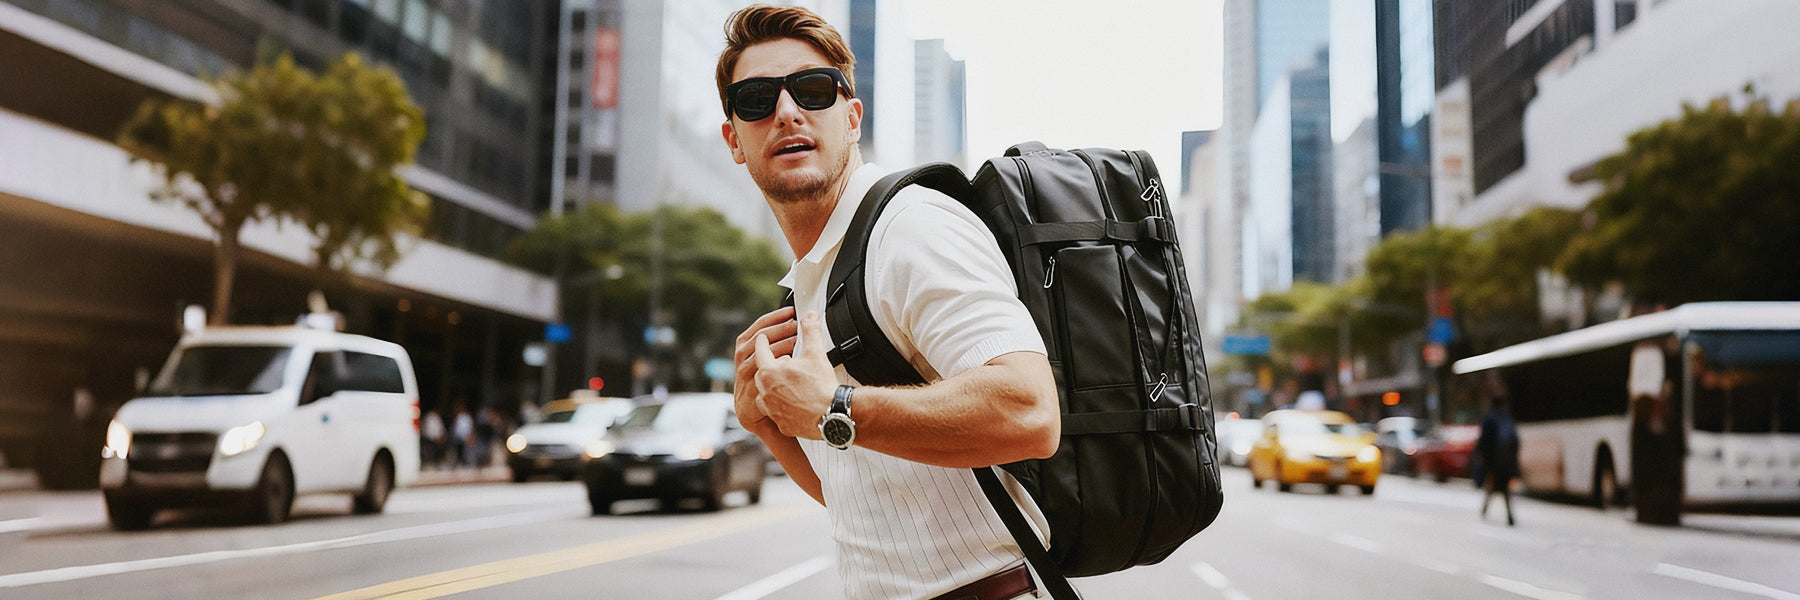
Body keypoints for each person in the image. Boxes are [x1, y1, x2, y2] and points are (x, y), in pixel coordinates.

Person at [718, 5, 1060, 600]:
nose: (787, 112)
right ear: (734, 141)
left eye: (813, 90)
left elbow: (1029, 412)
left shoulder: (909, 228)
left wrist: (835, 407)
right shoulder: (819, 273)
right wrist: (768, 426)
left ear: (852, 119)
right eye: (756, 99)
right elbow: (864, 496)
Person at [1476, 394, 1520, 526]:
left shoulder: (1489, 418)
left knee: (1492, 484)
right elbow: (1515, 440)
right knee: (1504, 487)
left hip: (1493, 461)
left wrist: (1483, 458)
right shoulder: (1506, 418)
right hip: (1506, 461)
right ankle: (1509, 514)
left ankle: (1486, 509)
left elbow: (1484, 440)